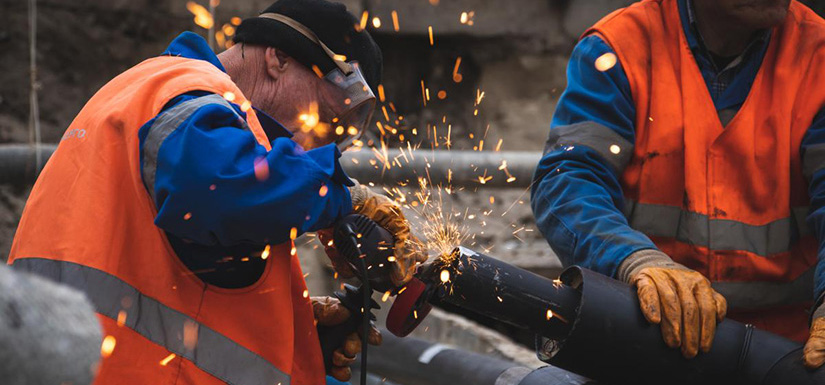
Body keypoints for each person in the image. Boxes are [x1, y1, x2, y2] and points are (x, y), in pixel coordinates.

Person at [8, 0, 425, 383]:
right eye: (323, 119)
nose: (313, 148)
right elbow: (214, 190)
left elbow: (166, 280)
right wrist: (340, 201)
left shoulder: (151, 89)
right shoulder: (190, 95)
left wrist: (287, 331)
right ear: (278, 57)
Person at [531, 0, 825, 367]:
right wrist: (634, 260)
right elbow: (569, 179)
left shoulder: (818, 57)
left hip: (789, 356)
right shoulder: (620, 48)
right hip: (647, 337)